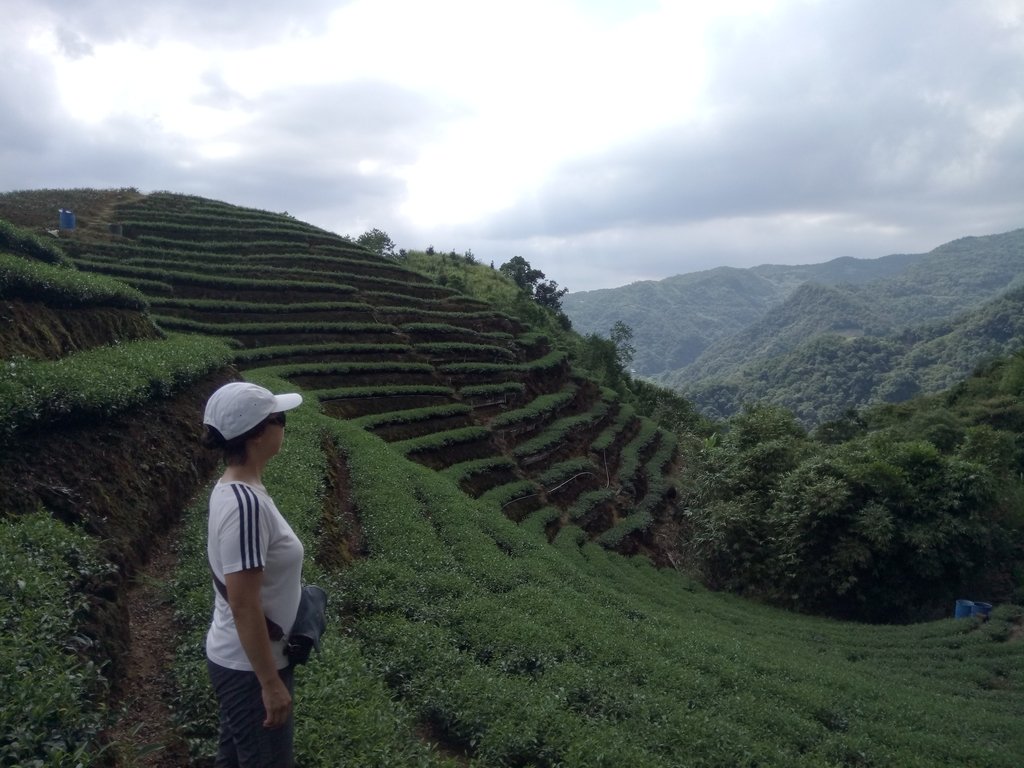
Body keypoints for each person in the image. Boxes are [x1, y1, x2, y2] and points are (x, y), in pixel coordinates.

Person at [201, 381, 305, 768]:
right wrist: (270, 684)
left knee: (235, 757)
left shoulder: (241, 490)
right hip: (250, 669)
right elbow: (244, 605)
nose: (284, 426)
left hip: (242, 661)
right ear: (259, 433)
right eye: (280, 419)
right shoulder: (245, 506)